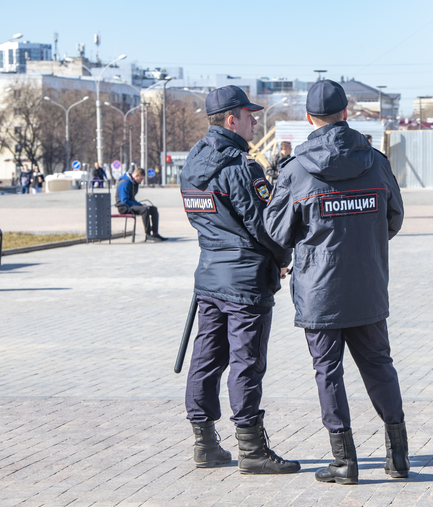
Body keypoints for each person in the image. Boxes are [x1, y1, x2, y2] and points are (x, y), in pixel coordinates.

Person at [264, 80, 408, 485]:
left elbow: (276, 230)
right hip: (367, 285)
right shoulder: (376, 162)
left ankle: (344, 463)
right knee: (380, 367)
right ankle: (398, 457)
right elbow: (394, 219)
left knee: (328, 373)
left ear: (310, 119)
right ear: (346, 114)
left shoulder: (295, 171)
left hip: (319, 292)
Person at [180, 85, 299, 474]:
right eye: (250, 116)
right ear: (231, 120)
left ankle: (204, 443)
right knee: (246, 363)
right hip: (246, 281)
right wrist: (283, 257)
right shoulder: (241, 168)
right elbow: (264, 225)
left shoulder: (192, 164)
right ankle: (251, 449)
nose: (255, 121)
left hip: (209, 277)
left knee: (206, 358)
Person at [115, 168, 166, 242]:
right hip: (123, 207)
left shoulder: (133, 183)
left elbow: (132, 199)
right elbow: (124, 201)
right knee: (144, 210)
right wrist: (140, 206)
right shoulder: (124, 183)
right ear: (136, 175)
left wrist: (140, 204)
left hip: (130, 205)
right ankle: (148, 235)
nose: (141, 181)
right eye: (141, 178)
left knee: (153, 209)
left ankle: (155, 233)